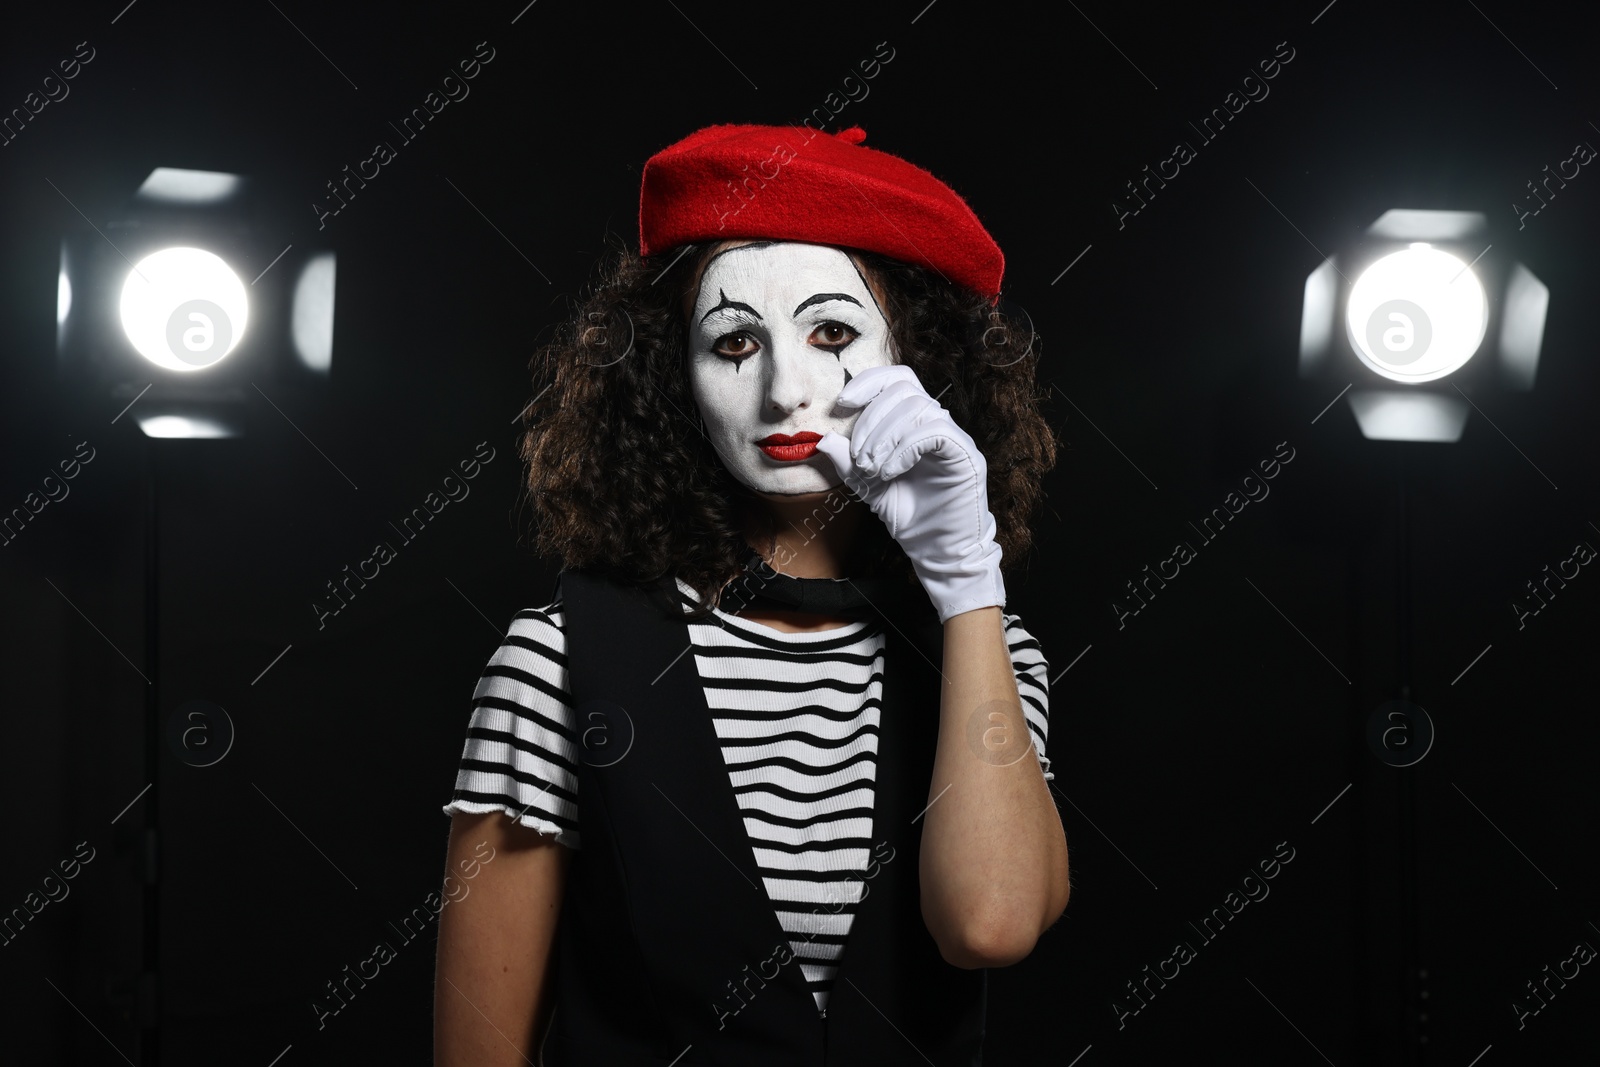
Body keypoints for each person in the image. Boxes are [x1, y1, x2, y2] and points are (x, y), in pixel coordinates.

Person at [434, 122, 1069, 1066]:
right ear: (671, 381)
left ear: (920, 363)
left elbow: (990, 924)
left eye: (831, 333)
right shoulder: (556, 662)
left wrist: (968, 579)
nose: (783, 391)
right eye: (735, 341)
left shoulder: (988, 657)